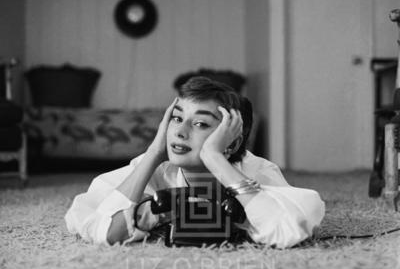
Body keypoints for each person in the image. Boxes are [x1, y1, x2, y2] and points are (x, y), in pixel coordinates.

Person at [65, 77, 325, 248]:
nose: (180, 131)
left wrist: (214, 157)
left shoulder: (256, 170)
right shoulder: (154, 168)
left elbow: (285, 231)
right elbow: (104, 231)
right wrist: (154, 152)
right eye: (177, 119)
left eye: (200, 123)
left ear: (230, 140)